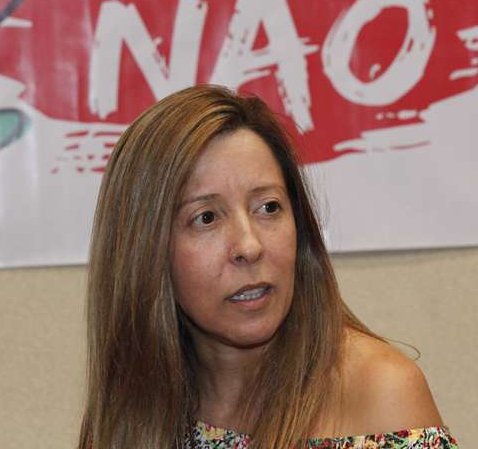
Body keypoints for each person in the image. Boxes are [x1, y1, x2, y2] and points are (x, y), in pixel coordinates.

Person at [78, 85, 458, 448]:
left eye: (268, 207)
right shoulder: (132, 408)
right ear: (145, 250)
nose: (249, 246)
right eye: (206, 217)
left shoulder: (381, 392)